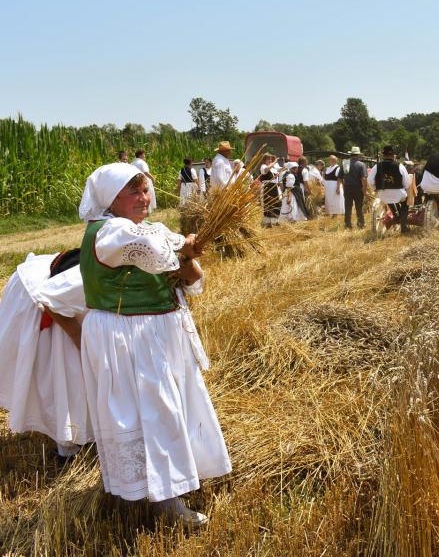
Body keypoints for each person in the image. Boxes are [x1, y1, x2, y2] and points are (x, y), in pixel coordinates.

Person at [77, 162, 231, 526]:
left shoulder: (146, 229)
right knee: (150, 413)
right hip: (128, 336)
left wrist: (189, 254)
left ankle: (160, 486)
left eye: (145, 190)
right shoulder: (109, 232)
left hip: (155, 334)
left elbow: (190, 279)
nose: (143, 198)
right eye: (132, 192)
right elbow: (158, 253)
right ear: (108, 200)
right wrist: (185, 248)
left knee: (166, 409)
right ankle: (165, 501)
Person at [0, 250, 91, 460]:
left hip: (70, 299)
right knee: (64, 370)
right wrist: (78, 339)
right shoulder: (99, 270)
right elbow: (50, 301)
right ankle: (67, 441)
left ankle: (86, 429)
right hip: (45, 299)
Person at [368, 146, 411, 234]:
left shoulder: (377, 166)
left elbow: (370, 181)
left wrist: (376, 188)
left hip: (383, 194)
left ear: (383, 155)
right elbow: (407, 183)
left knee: (389, 200)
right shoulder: (400, 166)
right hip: (398, 193)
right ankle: (404, 226)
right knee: (405, 203)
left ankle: (396, 216)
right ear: (393, 155)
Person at [339, 148, 368, 229]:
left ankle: (348, 225)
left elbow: (340, 178)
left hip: (347, 188)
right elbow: (364, 179)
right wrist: (364, 190)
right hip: (358, 189)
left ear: (351, 154)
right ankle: (361, 224)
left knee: (348, 207)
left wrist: (344, 185)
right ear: (358, 155)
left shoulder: (345, 163)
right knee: (359, 207)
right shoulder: (361, 165)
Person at [258, 155, 281, 227]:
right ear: (264, 160)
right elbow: (266, 170)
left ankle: (274, 221)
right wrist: (274, 162)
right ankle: (267, 222)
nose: (270, 161)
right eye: (269, 159)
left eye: (271, 159)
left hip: (274, 187)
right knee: (267, 203)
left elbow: (276, 171)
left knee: (275, 203)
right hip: (267, 187)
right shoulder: (263, 166)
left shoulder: (272, 168)